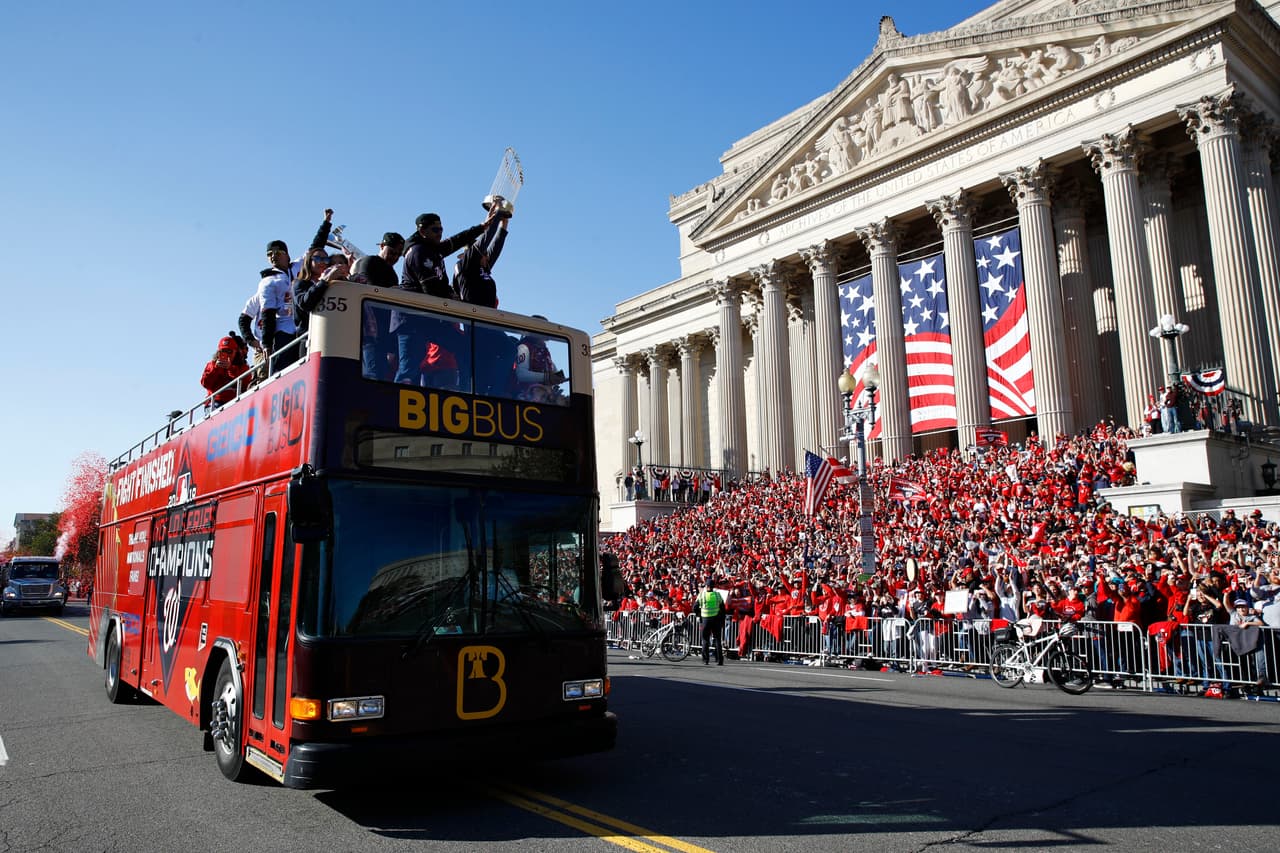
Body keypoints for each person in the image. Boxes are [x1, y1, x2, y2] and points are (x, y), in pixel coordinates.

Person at [392, 209, 500, 384]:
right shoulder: (418, 252)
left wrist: (482, 227)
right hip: (410, 318)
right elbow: (431, 289)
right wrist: (452, 295)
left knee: (464, 347)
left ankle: (466, 389)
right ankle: (392, 399)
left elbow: (456, 241)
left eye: (441, 229)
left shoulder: (433, 249)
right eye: (435, 230)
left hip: (427, 317)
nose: (440, 233)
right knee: (408, 369)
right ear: (422, 231)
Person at [240, 209, 333, 371]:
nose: (273, 256)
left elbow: (315, 248)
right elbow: (267, 314)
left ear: (287, 255)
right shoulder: (268, 282)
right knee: (283, 370)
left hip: (301, 328)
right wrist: (265, 344)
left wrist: (326, 223)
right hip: (282, 333)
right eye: (269, 254)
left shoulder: (297, 268)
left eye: (278, 252)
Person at [351, 232, 406, 380]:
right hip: (368, 332)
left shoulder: (392, 273)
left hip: (382, 332)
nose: (395, 257)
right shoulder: (369, 262)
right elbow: (367, 290)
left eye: (398, 255)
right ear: (382, 246)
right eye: (392, 252)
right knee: (372, 374)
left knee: (382, 374)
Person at [454, 215, 509, 308]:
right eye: (484, 254)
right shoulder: (466, 266)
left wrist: (504, 223)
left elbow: (496, 247)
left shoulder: (482, 267)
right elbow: (486, 238)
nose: (487, 257)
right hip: (472, 314)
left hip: (487, 314)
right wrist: (498, 215)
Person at [200, 332, 251, 407]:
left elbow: (246, 383)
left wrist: (230, 369)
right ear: (218, 352)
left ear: (235, 352)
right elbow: (205, 384)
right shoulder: (212, 365)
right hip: (215, 402)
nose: (226, 354)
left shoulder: (242, 366)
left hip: (235, 402)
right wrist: (216, 369)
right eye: (223, 351)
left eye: (229, 351)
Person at [697, 580, 726, 665]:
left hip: (705, 619)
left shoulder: (702, 595)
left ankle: (705, 660)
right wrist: (722, 619)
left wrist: (699, 615)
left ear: (706, 586)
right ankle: (719, 660)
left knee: (705, 639)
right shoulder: (717, 595)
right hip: (716, 619)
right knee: (717, 640)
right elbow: (723, 608)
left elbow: (695, 607)